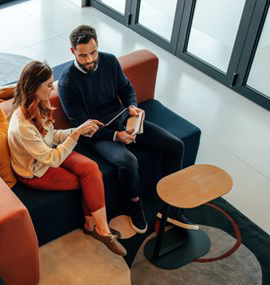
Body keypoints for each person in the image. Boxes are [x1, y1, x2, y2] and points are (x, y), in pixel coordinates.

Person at [58, 25, 199, 233]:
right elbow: (82, 126)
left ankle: (172, 208)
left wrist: (132, 105)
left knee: (175, 145)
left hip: (122, 118)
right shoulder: (67, 83)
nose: (89, 60)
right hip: (96, 134)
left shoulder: (109, 61)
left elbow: (126, 88)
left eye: (93, 52)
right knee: (127, 161)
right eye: (82, 55)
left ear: (97, 46)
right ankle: (134, 203)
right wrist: (116, 136)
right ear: (72, 52)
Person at [7, 60, 127, 256]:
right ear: (33, 87)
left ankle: (95, 226)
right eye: (48, 85)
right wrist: (75, 135)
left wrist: (78, 130)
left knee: (91, 169)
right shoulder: (22, 127)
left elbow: (51, 136)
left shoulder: (39, 103)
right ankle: (100, 230)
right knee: (86, 181)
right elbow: (52, 160)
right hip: (34, 171)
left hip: (49, 152)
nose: (52, 88)